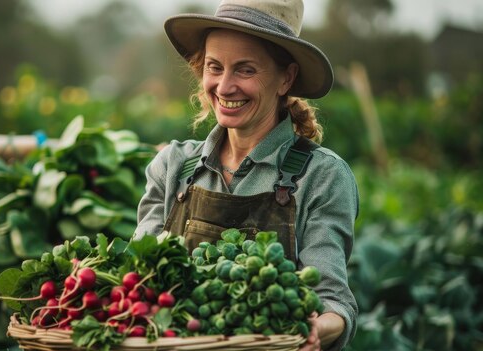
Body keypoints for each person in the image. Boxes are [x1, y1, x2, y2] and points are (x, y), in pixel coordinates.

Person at [135, 0, 358, 350]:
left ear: (287, 78)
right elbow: (139, 278)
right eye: (214, 67)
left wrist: (319, 328)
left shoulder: (322, 175)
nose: (224, 87)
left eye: (245, 70)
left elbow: (332, 301)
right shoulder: (173, 166)